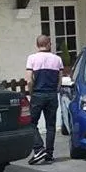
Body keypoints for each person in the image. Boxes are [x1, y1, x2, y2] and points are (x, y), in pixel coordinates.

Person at [25, 34, 64, 165]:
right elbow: (60, 79)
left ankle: (39, 148)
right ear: (48, 44)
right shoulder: (57, 59)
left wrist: (32, 92)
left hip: (38, 94)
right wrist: (55, 90)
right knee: (51, 126)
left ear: (37, 45)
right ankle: (49, 154)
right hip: (52, 94)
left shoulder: (32, 58)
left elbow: (29, 80)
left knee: (31, 123)